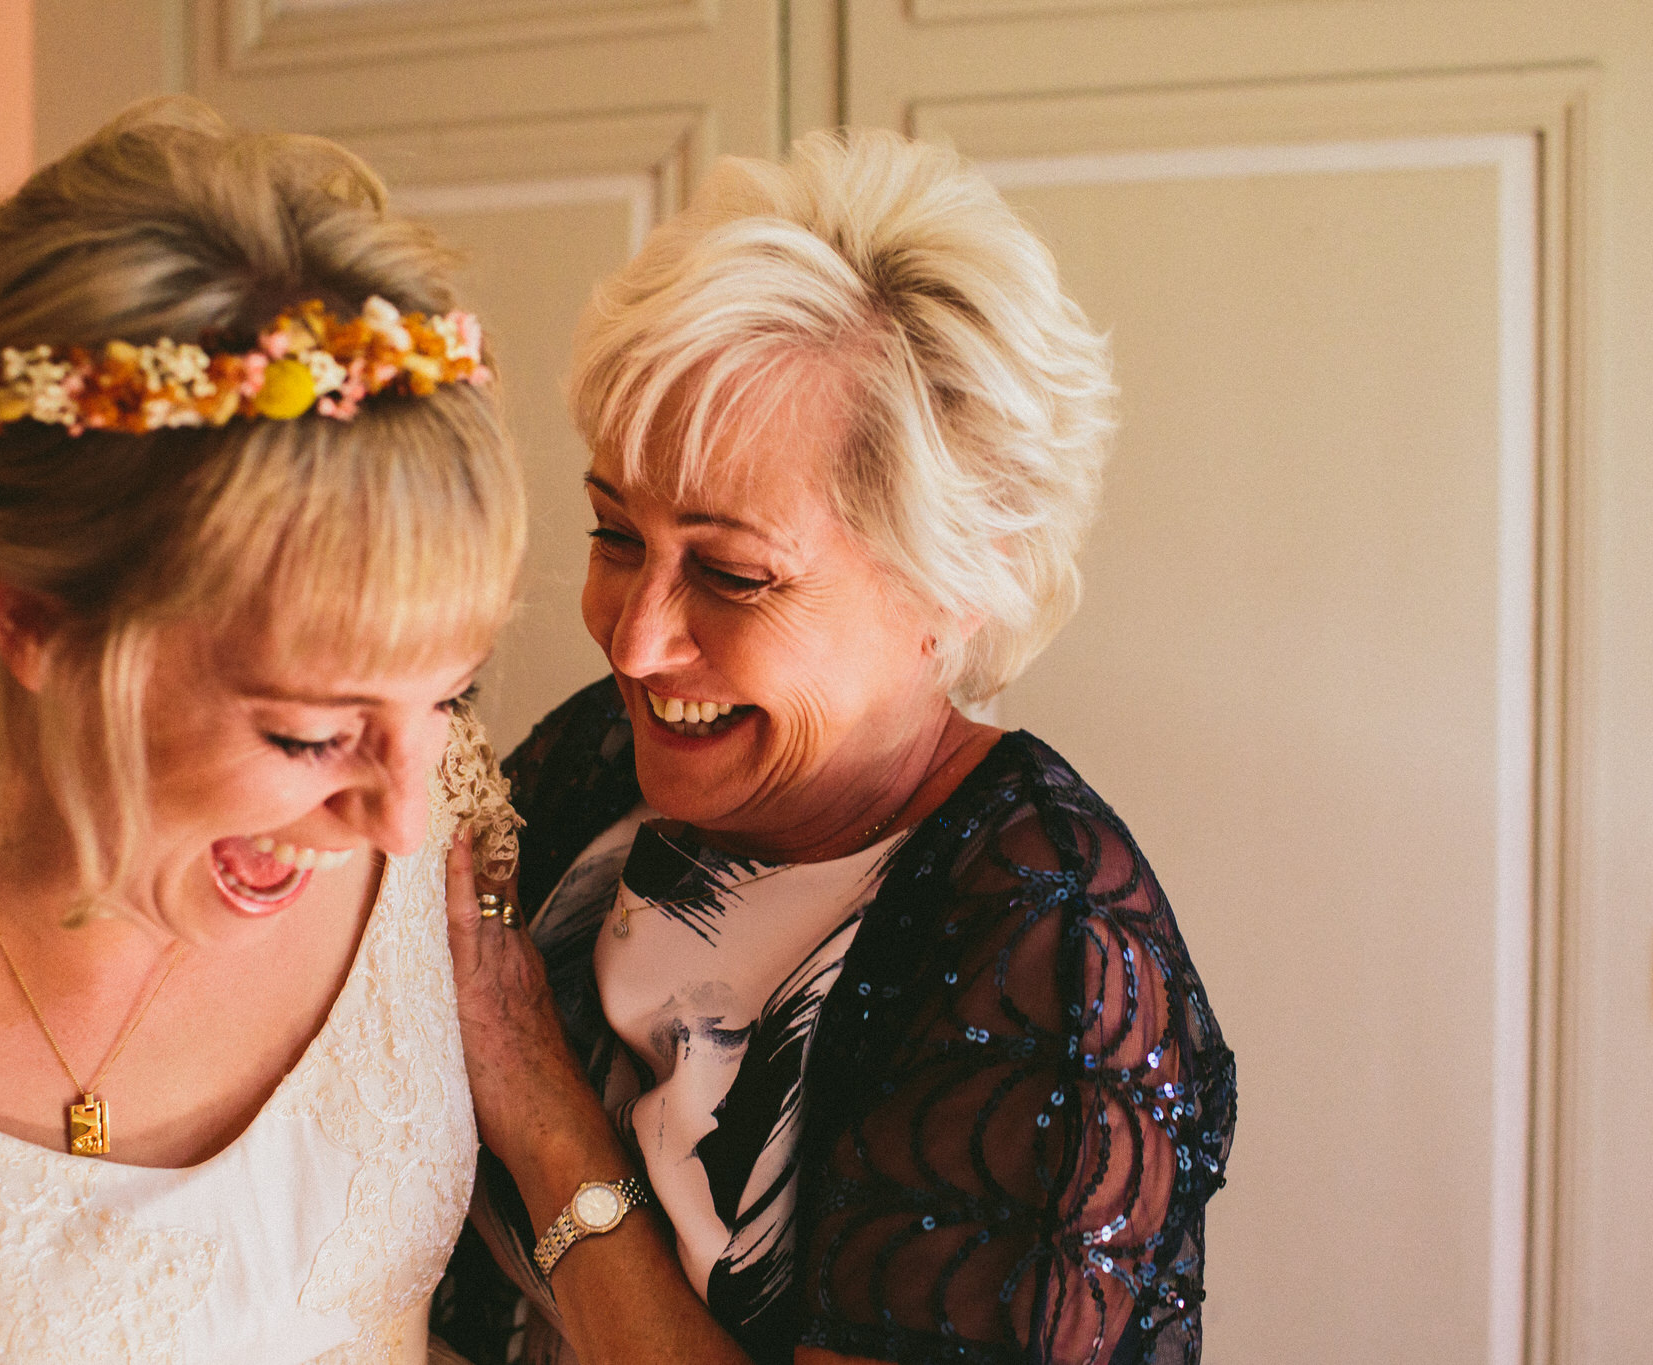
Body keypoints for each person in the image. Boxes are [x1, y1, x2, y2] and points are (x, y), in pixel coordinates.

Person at [0, 99, 524, 1362]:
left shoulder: (442, 835)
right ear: (30, 621)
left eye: (442, 696)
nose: (403, 813)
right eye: (307, 737)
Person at [434, 130, 1235, 1365]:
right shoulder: (601, 760)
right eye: (612, 535)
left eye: (732, 575)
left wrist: (546, 1125)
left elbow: (508, 1071)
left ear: (953, 585)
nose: (635, 643)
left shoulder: (1046, 959)